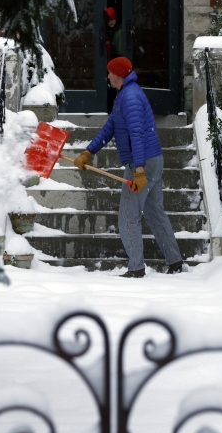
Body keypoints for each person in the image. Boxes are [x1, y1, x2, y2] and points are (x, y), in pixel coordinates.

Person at [72, 57, 184, 278]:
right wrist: (88, 152)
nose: (107, 77)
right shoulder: (125, 95)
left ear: (118, 75)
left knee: (127, 215)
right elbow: (110, 128)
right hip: (152, 161)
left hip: (142, 163)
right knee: (154, 213)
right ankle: (175, 261)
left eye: (109, 73)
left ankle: (136, 268)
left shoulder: (130, 97)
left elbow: (137, 135)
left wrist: (139, 169)